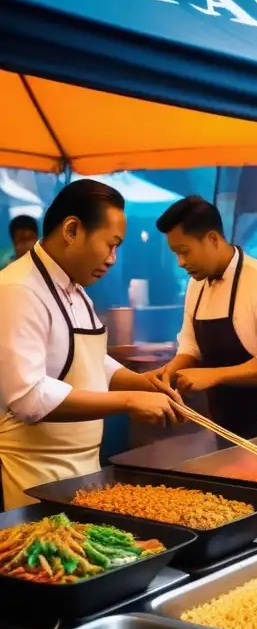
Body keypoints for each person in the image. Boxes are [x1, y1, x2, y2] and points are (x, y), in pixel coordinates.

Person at [0, 180, 183, 509]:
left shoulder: (76, 290)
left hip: (83, 469)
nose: (113, 259)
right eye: (110, 244)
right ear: (72, 229)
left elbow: (92, 359)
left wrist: (143, 381)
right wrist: (127, 401)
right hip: (33, 473)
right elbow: (29, 398)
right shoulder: (18, 289)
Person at [154, 196, 257, 443]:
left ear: (212, 239)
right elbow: (191, 347)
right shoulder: (195, 285)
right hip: (224, 430)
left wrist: (214, 375)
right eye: (175, 253)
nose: (180, 262)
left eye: (185, 251)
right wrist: (170, 371)